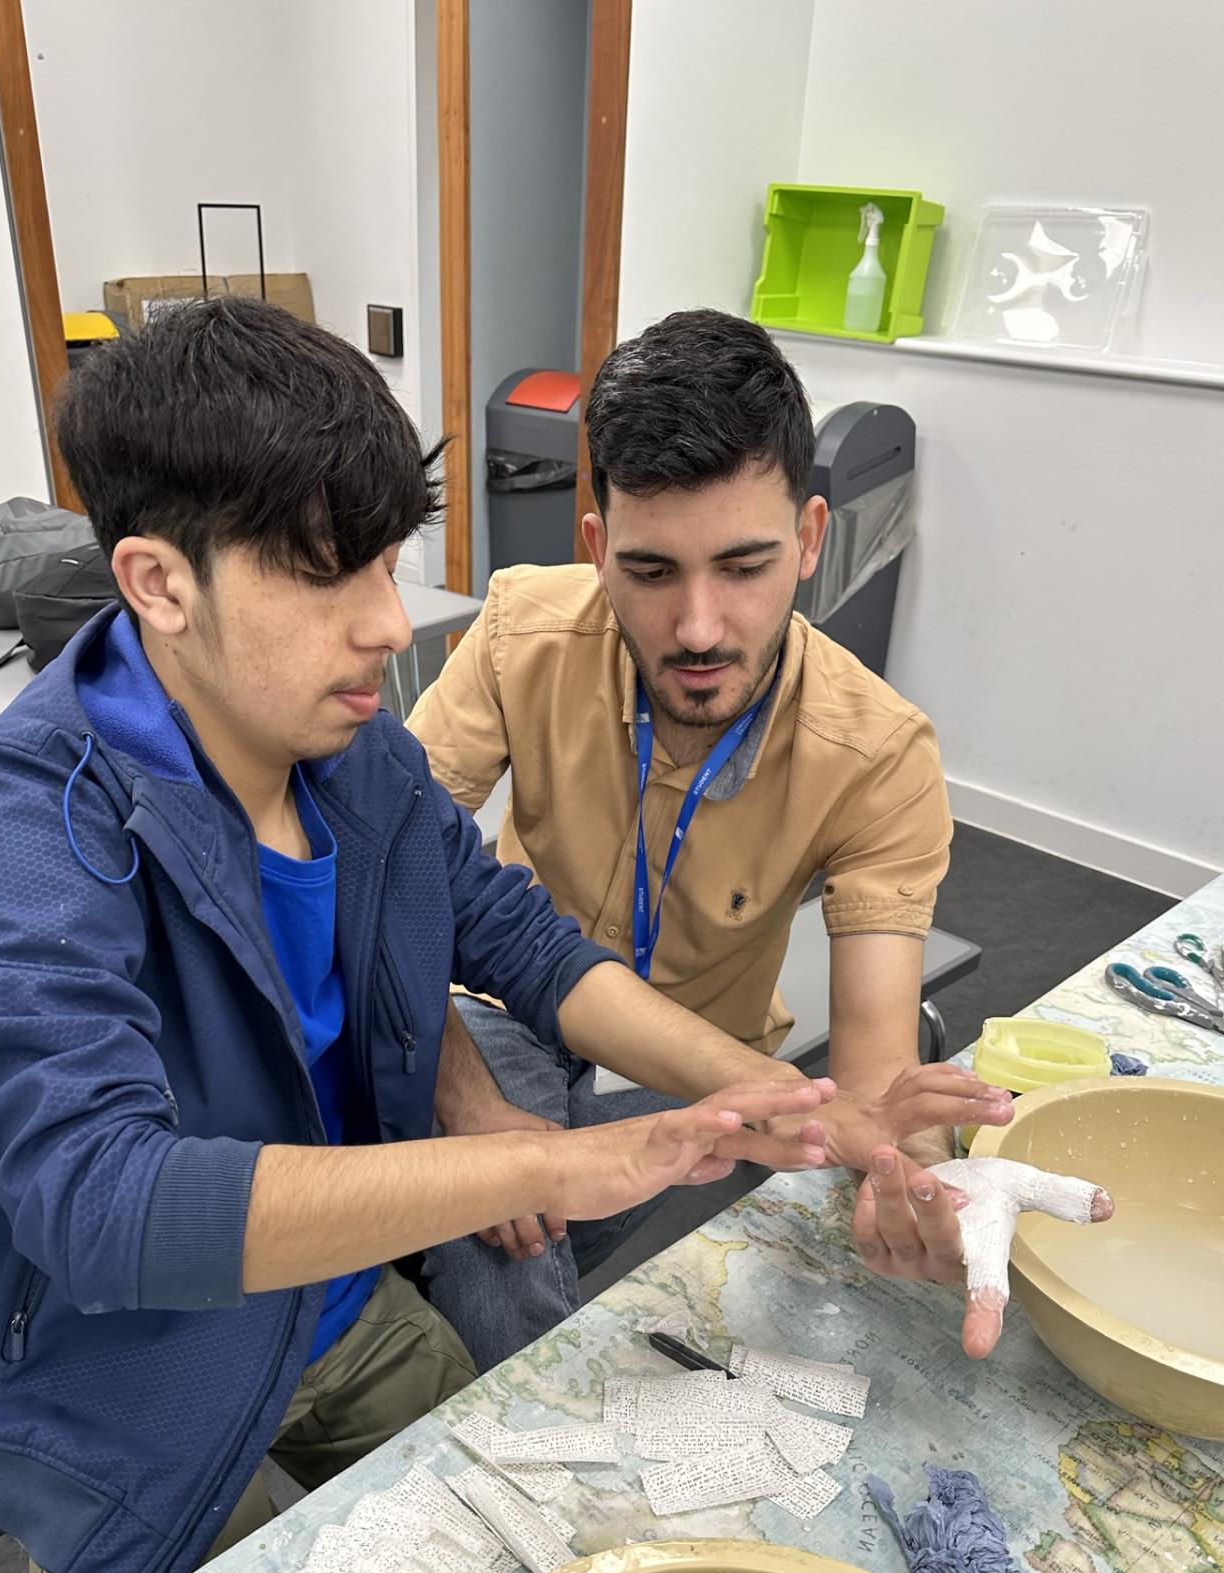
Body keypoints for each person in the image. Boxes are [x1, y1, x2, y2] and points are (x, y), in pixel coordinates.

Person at [0, 298, 840, 1573]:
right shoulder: (18, 823)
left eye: (387, 566)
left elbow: (517, 941)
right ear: (161, 583)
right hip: (112, 1378)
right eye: (325, 577)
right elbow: (95, 1203)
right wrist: (543, 1164)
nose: (388, 626)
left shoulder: (353, 750)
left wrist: (769, 1096)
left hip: (325, 1296)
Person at [409, 308, 1014, 1370]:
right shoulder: (518, 632)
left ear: (812, 540)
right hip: (509, 1004)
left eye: (745, 567)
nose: (697, 627)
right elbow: (377, 872)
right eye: (651, 573)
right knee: (494, 1246)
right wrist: (466, 1099)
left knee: (496, 1225)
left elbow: (869, 1079)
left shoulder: (877, 752)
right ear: (596, 549)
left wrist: (909, 1173)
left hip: (700, 1045)